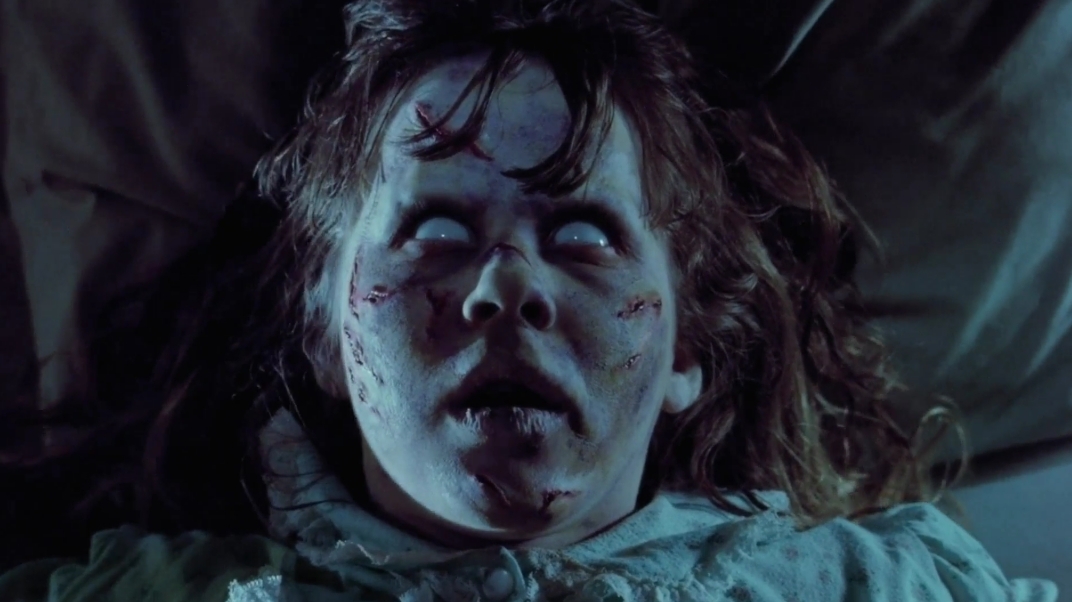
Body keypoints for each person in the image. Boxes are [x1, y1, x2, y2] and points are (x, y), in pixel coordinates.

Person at [0, 0, 1059, 600]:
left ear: (686, 349)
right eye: (434, 233)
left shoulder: (877, 585)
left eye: (585, 236)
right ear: (322, 333)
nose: (506, 285)